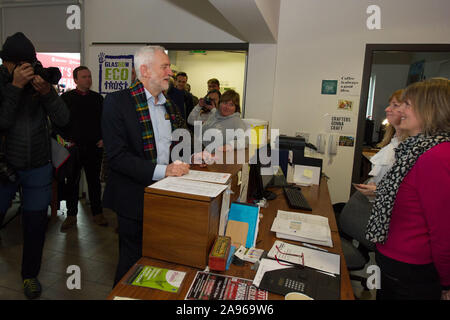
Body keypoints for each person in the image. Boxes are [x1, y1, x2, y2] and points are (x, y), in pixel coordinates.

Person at [102, 46, 212, 286]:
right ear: (144, 70)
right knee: (132, 261)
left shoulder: (168, 104)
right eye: (164, 67)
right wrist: (165, 170)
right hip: (132, 197)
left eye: (169, 67)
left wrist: (195, 155)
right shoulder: (117, 103)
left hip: (165, 193)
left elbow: (178, 141)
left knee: (158, 259)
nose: (170, 72)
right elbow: (117, 157)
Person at [366, 78, 450, 300]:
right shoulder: (413, 148)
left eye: (408, 104)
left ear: (431, 110)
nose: (400, 110)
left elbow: (443, 229)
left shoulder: (436, 155)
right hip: (394, 258)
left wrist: (447, 282)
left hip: (412, 269)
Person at [0, 32, 69, 299]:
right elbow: (3, 122)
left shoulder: (40, 85)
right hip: (4, 166)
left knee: (35, 225)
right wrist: (15, 87)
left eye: (28, 63)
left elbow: (63, 119)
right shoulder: (2, 82)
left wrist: (48, 94)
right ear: (7, 64)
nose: (25, 69)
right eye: (18, 64)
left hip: (38, 166)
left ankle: (30, 275)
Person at [59, 66, 107, 230]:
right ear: (76, 80)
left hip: (94, 147)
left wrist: (103, 138)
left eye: (89, 76)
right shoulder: (66, 98)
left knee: (94, 182)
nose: (88, 79)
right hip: (73, 148)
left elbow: (105, 122)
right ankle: (71, 215)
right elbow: (59, 122)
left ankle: (97, 213)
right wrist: (65, 141)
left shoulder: (98, 99)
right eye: (84, 77)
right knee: (71, 182)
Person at [354, 89, 407, 199]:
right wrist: (373, 184)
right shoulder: (393, 143)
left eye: (395, 105)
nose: (387, 109)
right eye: (389, 105)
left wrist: (378, 191)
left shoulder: (408, 148)